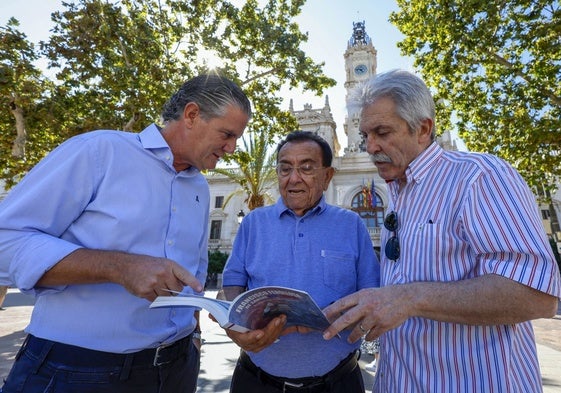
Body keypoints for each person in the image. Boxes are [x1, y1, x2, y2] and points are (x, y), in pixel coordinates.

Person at [0, 74, 251, 393]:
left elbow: (194, 275)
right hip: (78, 371)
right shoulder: (99, 151)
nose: (231, 148)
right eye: (227, 134)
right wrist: (119, 267)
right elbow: (5, 241)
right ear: (191, 115)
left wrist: (196, 336)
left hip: (177, 369)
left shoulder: (199, 186)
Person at [322, 69, 561, 392]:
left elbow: (536, 295)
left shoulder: (479, 178)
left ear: (423, 129)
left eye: (382, 132)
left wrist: (408, 298)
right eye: (365, 136)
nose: (370, 146)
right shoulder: (398, 197)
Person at [218, 131, 380, 393]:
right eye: (285, 169)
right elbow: (232, 284)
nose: (294, 178)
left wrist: (330, 316)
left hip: (337, 383)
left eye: (306, 168)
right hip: (256, 382)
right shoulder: (253, 223)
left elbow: (372, 296)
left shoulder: (351, 226)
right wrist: (236, 320)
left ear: (327, 176)